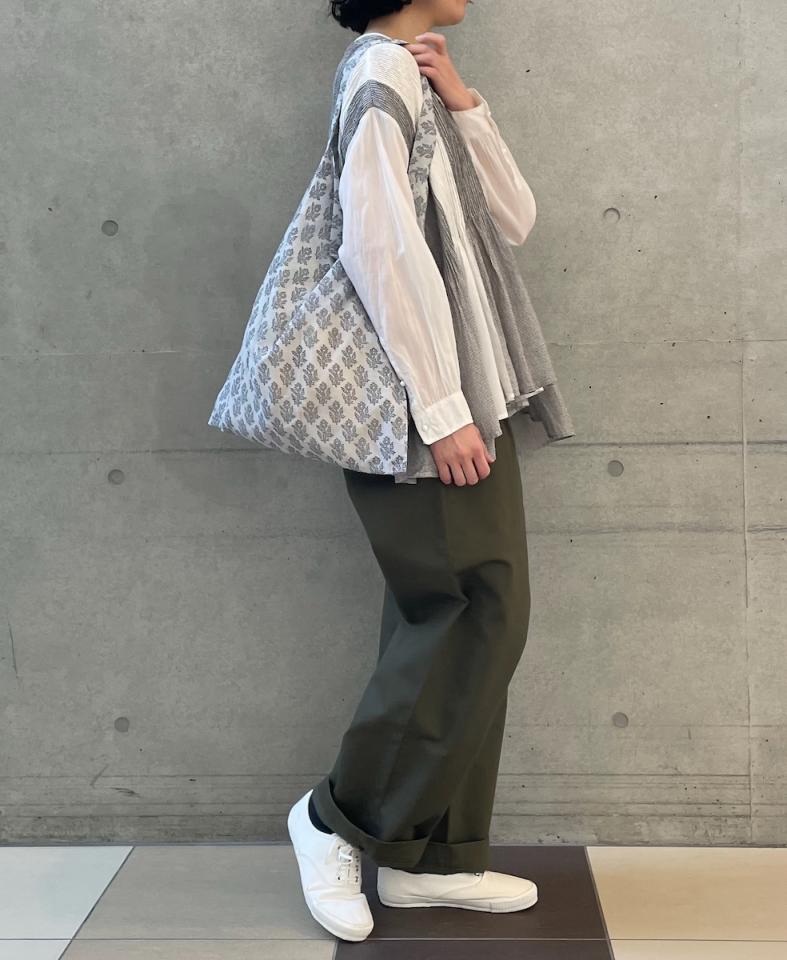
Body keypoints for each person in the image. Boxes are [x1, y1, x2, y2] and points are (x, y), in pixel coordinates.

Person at [287, 0, 575, 943]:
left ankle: (428, 861)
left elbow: (512, 221)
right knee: (466, 612)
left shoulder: (413, 79)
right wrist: (441, 410)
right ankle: (333, 818)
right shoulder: (375, 77)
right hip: (417, 410)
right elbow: (378, 249)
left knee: (469, 613)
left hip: (467, 395)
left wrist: (463, 102)